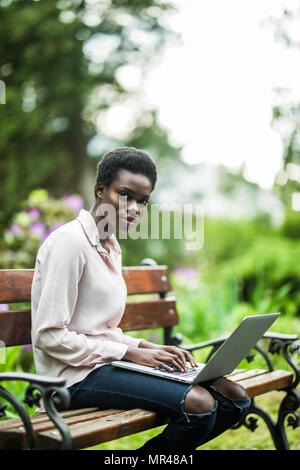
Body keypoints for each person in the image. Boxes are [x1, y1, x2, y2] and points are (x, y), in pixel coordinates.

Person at [31, 147, 251, 451]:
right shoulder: (70, 244)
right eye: (125, 195)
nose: (134, 208)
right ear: (100, 190)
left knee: (234, 398)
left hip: (103, 366)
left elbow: (101, 331)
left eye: (142, 201)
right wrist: (128, 354)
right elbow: (49, 336)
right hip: (70, 379)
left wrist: (145, 347)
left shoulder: (110, 246)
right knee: (199, 404)